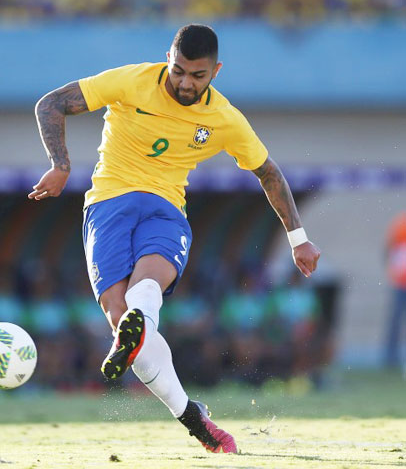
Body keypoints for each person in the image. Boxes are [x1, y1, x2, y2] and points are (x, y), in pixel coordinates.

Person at [29, 24, 320, 453]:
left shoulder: (223, 119)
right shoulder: (132, 81)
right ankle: (192, 415)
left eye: (197, 75)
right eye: (178, 70)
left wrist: (298, 238)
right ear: (168, 56)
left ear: (215, 72)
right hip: (108, 202)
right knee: (120, 317)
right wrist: (60, 163)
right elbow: (50, 104)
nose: (185, 82)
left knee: (145, 290)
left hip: (165, 208)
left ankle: (140, 323)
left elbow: (269, 172)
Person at [384, 212, 406, 368]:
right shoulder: (400, 224)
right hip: (400, 282)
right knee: (395, 320)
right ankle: (390, 357)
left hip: (399, 280)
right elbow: (389, 249)